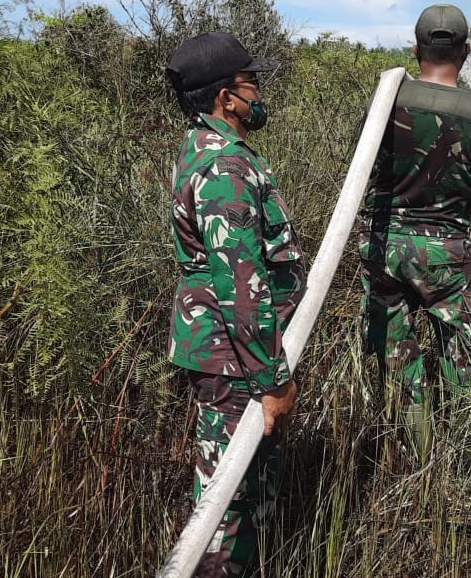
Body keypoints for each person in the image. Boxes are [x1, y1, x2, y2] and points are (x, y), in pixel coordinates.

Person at [165, 32, 307, 578]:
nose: (258, 92)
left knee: (243, 494)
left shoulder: (206, 149)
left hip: (234, 358)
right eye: (251, 83)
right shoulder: (225, 168)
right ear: (226, 97)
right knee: (227, 508)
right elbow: (240, 283)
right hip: (236, 364)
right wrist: (272, 381)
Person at [359, 4, 471, 458]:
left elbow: (369, 168)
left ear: (417, 48)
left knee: (397, 355)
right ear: (465, 52)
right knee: (464, 350)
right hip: (447, 253)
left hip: (386, 249)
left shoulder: (387, 100)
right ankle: (468, 455)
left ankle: (416, 451)